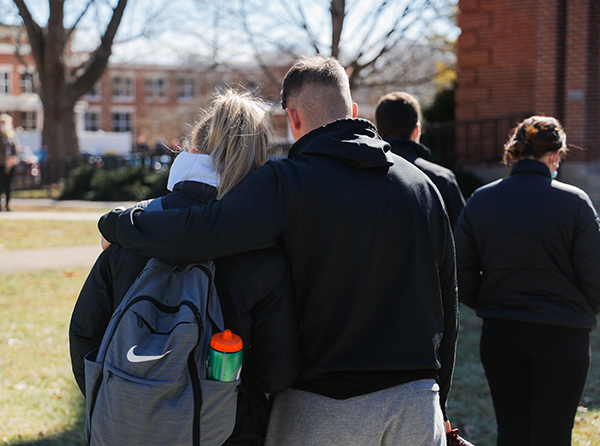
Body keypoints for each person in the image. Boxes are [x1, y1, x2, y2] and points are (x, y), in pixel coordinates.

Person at [99, 55, 459, 446]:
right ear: (353, 111)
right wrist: (438, 401)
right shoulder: (424, 188)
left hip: (323, 405)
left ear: (294, 117)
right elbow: (448, 309)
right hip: (418, 402)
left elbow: (199, 233)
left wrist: (116, 223)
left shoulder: (286, 182)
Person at [70, 89, 300, 445]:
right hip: (226, 430)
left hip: (126, 423)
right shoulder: (261, 249)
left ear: (192, 150)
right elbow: (276, 369)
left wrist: (127, 399)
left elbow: (86, 332)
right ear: (258, 165)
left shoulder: (134, 229)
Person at [454, 116, 600, 445]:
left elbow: (461, 272)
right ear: (555, 155)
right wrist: (576, 308)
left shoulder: (480, 200)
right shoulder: (575, 203)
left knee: (512, 433)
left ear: (514, 153)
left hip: (502, 332)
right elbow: (596, 276)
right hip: (563, 335)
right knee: (554, 435)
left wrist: (492, 301)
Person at [375, 91, 465, 227]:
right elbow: (460, 234)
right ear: (417, 130)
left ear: (378, 131)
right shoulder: (441, 179)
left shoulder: (364, 177)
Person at [0, 114, 20, 212]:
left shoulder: (11, 136)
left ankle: (7, 205)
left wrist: (13, 159)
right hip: (1, 164)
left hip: (10, 165)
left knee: (8, 185)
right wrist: (5, 159)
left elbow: (16, 151)